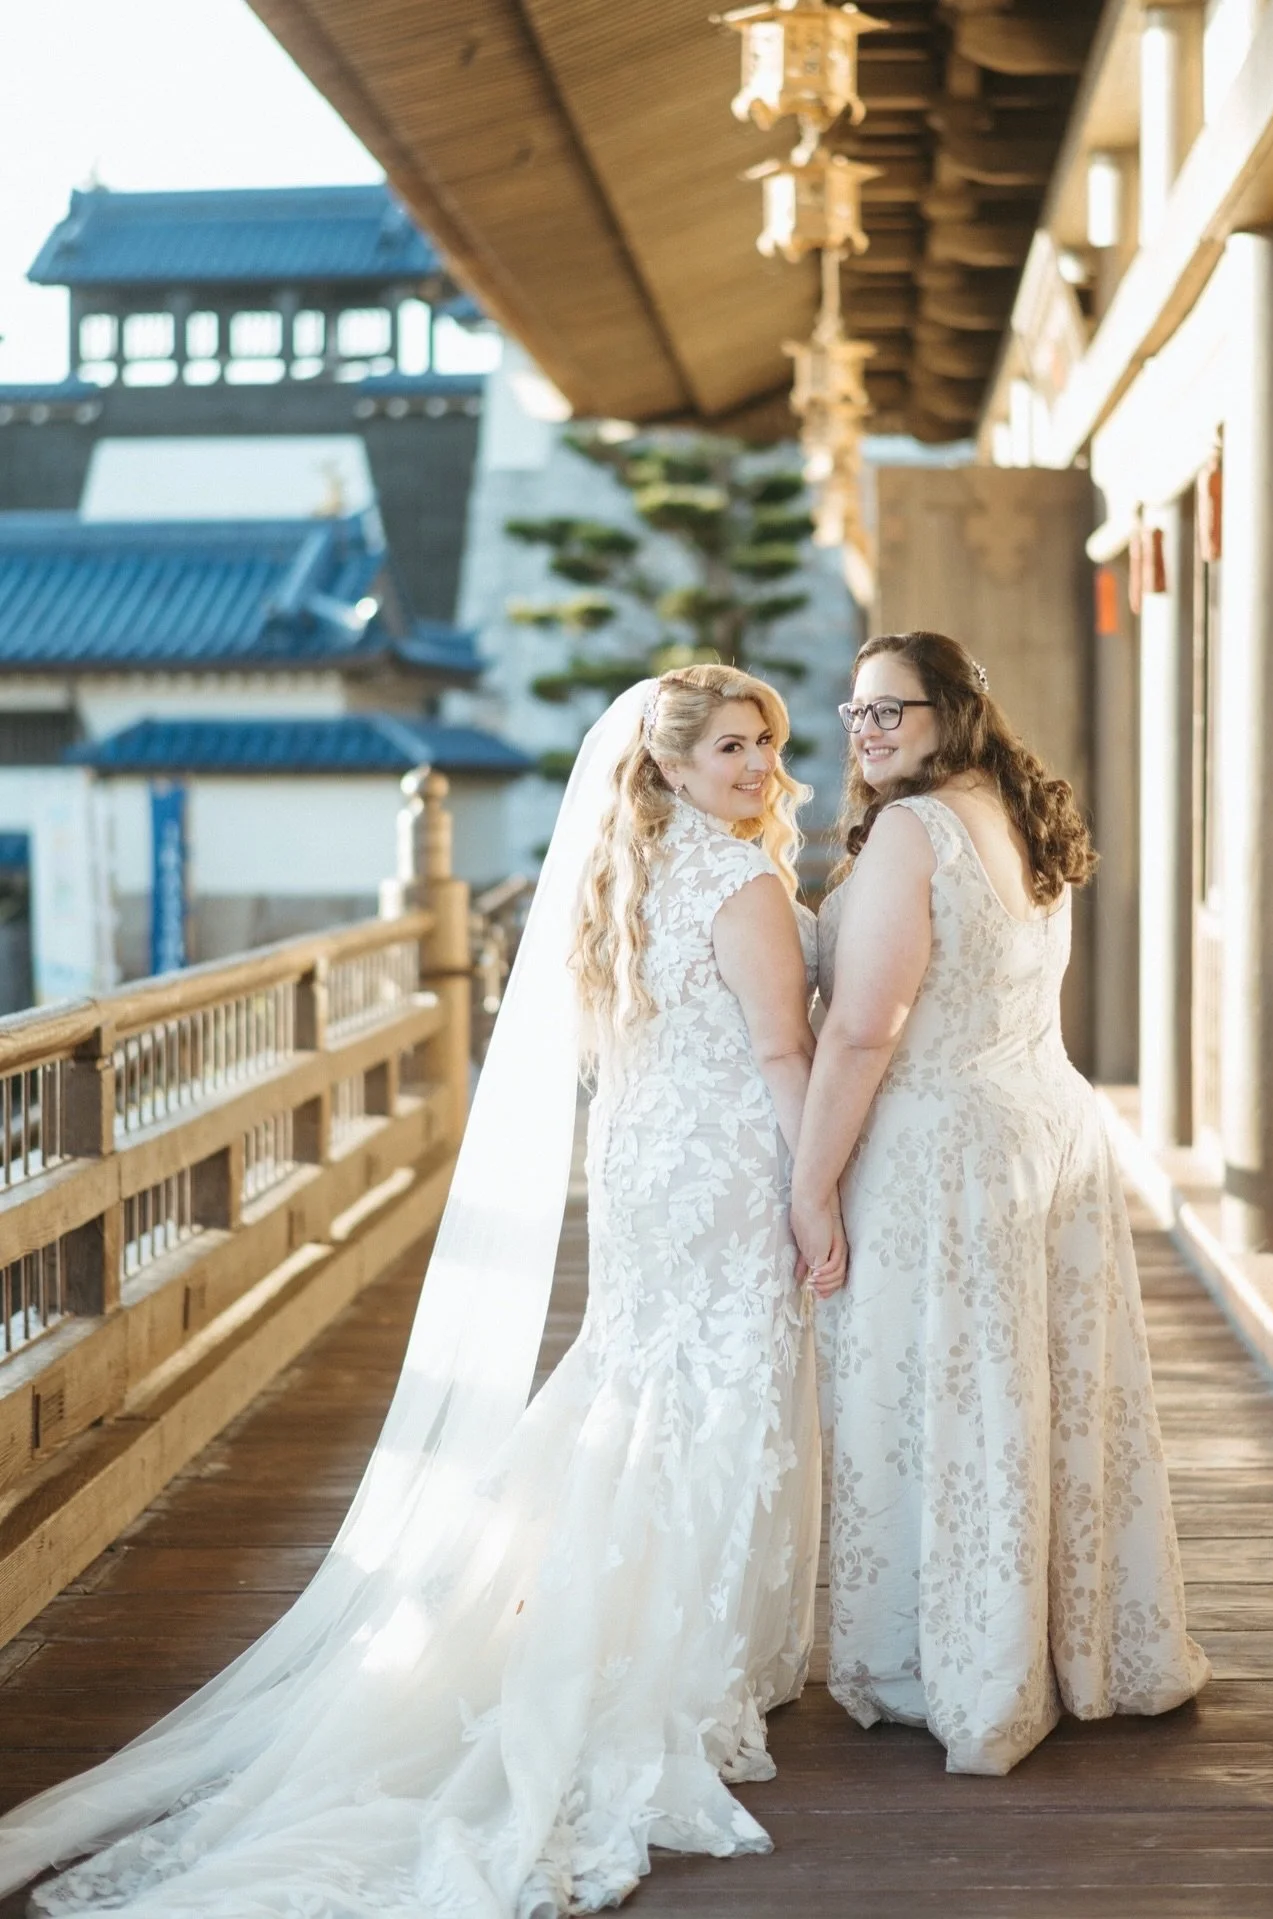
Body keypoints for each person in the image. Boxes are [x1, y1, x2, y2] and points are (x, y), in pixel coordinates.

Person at [0, 666, 845, 1917]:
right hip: (723, 1165)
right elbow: (784, 1049)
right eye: (730, 748)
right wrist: (817, 1192)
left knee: (642, 1383)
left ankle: (648, 1615)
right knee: (717, 1388)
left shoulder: (632, 870)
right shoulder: (742, 876)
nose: (759, 769)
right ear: (668, 764)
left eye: (766, 745)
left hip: (642, 1163)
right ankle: (694, 1644)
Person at [790, 629, 1208, 1777]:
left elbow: (862, 1028)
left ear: (954, 711)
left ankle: (970, 1660)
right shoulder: (1019, 813)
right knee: (1042, 1397)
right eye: (857, 712)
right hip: (1045, 1127)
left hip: (951, 1151)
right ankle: (1073, 1647)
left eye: (894, 711)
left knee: (951, 1401)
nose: (868, 732)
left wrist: (810, 1184)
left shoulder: (913, 834)